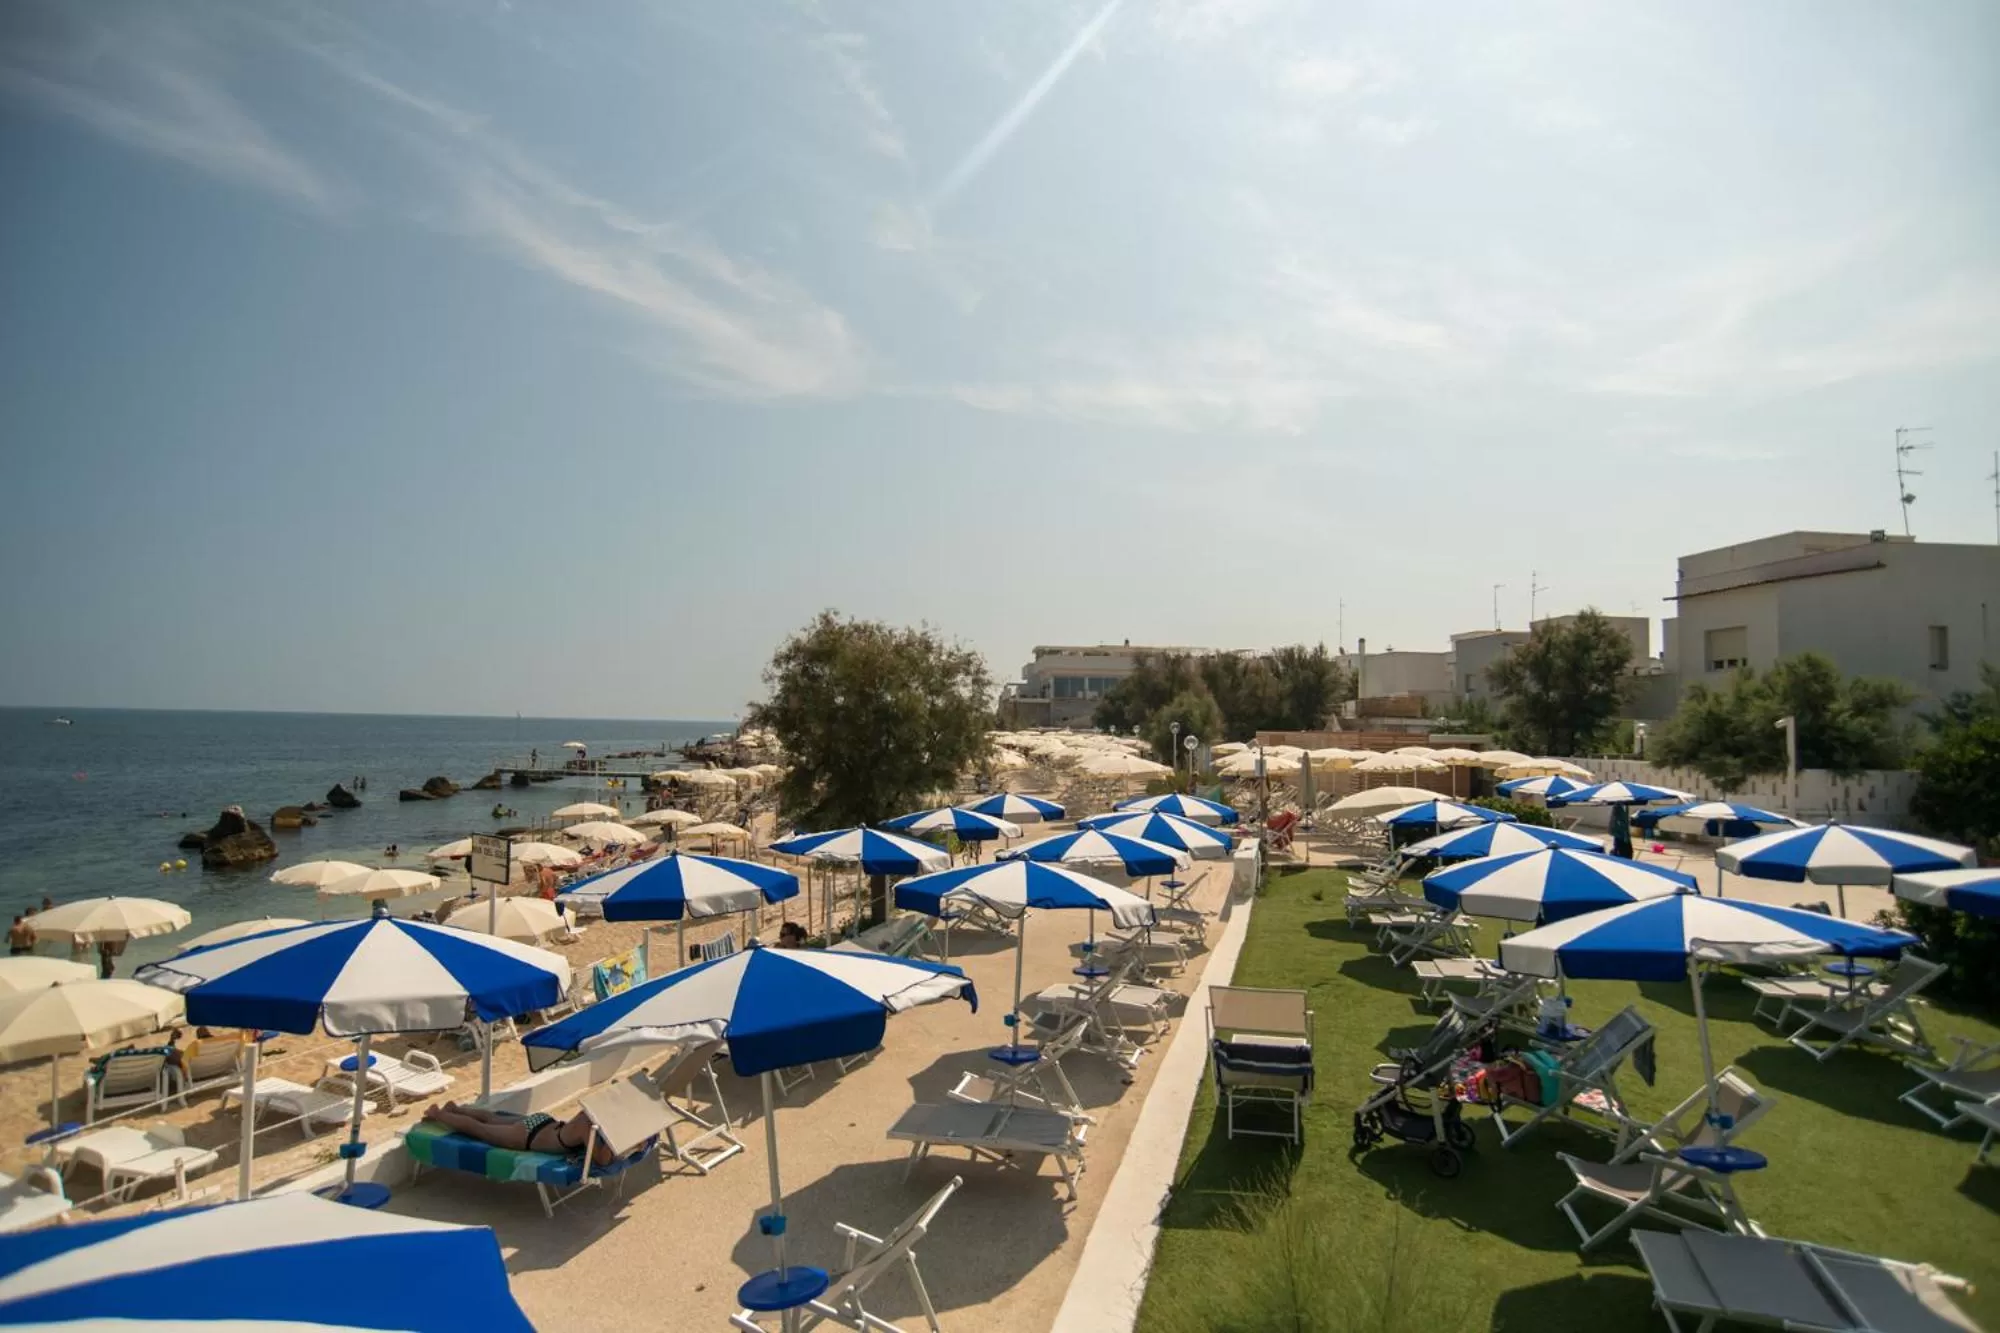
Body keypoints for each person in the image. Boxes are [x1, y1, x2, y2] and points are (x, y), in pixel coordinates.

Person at [419, 1101, 614, 1167]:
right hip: (529, 1136)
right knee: (480, 1130)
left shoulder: (588, 1115)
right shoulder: (588, 1128)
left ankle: (455, 1108)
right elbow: (602, 1160)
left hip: (543, 1122)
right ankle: (437, 1113)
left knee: (490, 1118)